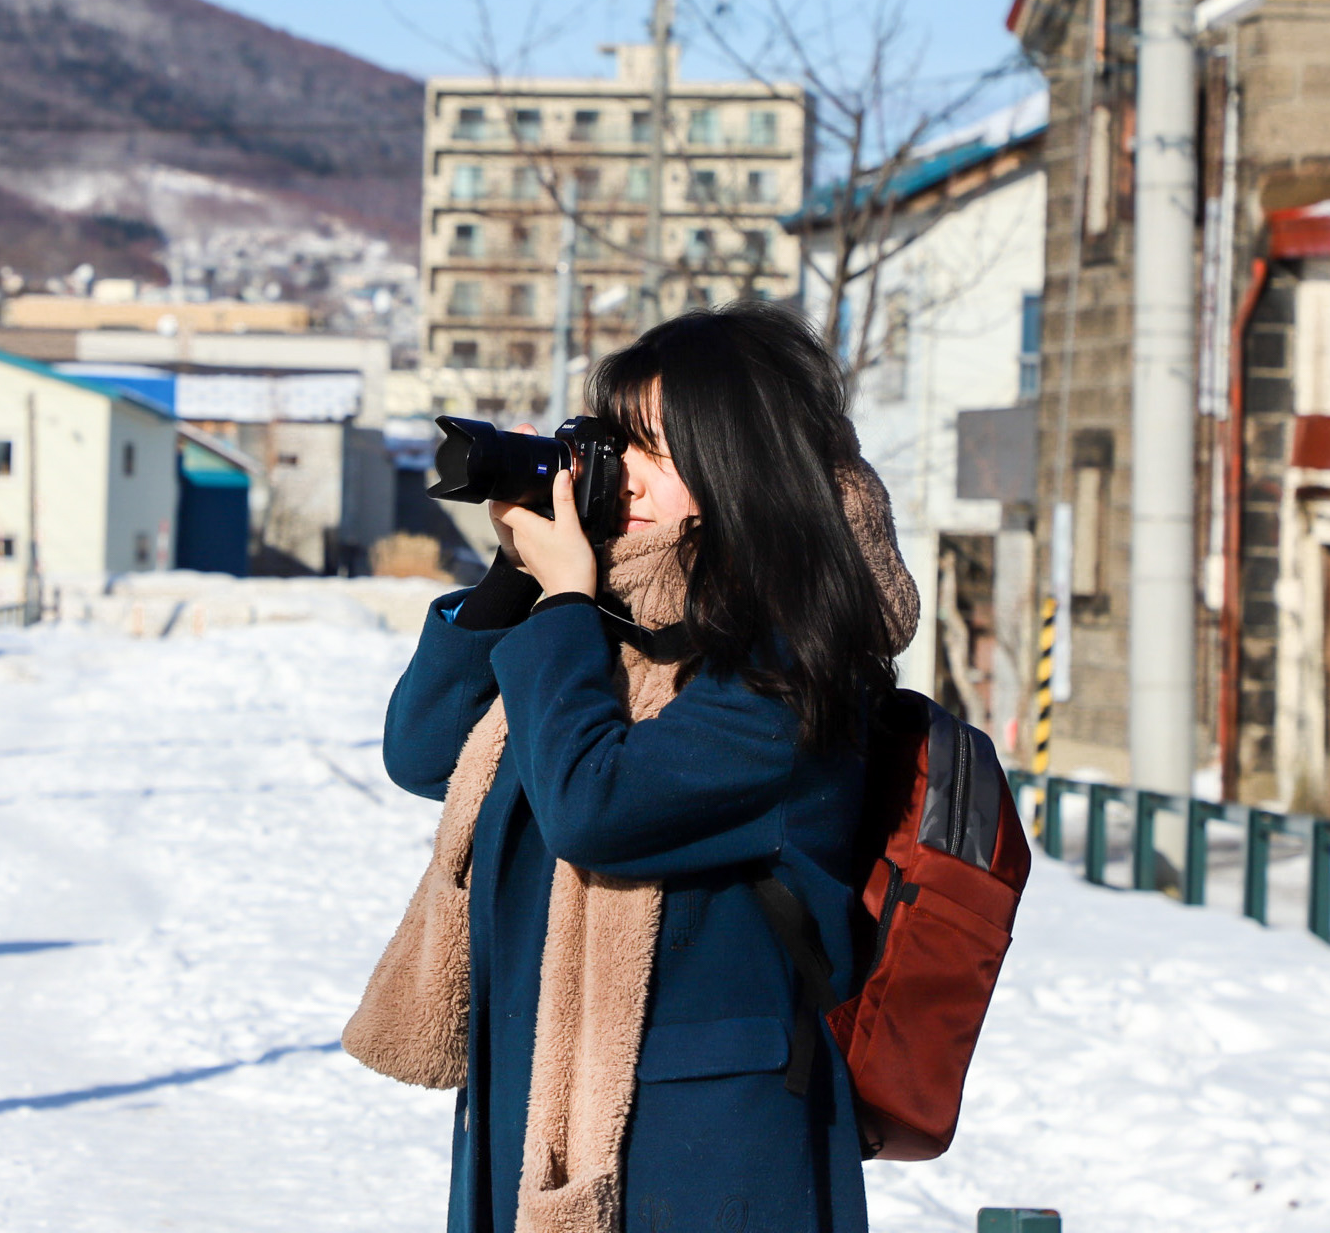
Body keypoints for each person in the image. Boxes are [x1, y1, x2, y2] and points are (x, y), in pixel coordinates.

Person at [348, 302, 921, 1233]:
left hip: (700, 1147)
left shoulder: (801, 663)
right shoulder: (621, 620)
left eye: (655, 448)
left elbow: (598, 807)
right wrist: (518, 578)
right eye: (619, 442)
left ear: (746, 462)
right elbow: (424, 753)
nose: (624, 475)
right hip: (536, 1104)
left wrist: (568, 600)